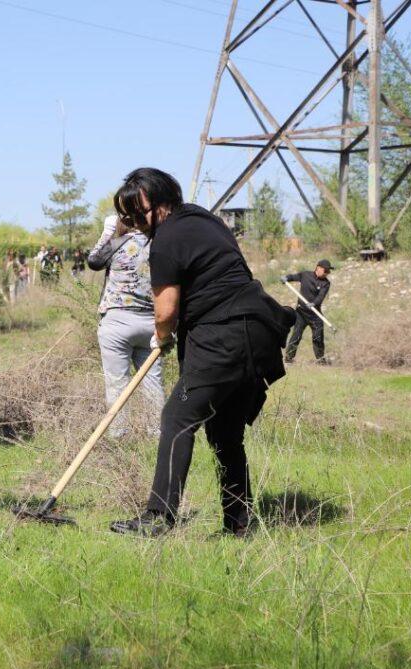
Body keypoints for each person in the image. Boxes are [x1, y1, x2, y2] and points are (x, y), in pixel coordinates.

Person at [108, 168, 294, 539]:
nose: (136, 224)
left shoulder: (166, 240)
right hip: (257, 328)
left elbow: (165, 311)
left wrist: (162, 337)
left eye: (138, 214)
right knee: (225, 432)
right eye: (127, 217)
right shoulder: (201, 217)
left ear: (162, 203)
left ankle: (158, 517)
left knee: (178, 416)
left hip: (225, 332)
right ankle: (239, 526)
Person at [87, 214, 164, 439]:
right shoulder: (157, 244)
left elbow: (93, 261)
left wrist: (107, 232)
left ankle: (119, 434)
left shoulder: (116, 243)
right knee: (152, 383)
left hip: (117, 323)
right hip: (151, 323)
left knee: (117, 384)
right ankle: (157, 434)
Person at [282, 259, 332, 364]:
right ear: (318, 268)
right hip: (301, 313)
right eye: (326, 271)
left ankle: (320, 360)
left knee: (318, 338)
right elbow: (293, 277)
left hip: (315, 314)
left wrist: (314, 303)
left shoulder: (326, 283)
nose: (328, 273)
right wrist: (286, 278)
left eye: (328, 271)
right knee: (296, 336)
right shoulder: (305, 275)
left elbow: (320, 297)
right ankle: (289, 359)